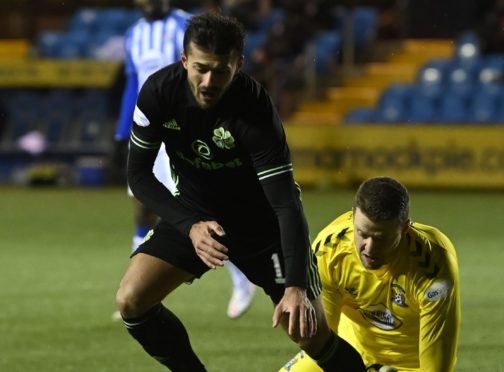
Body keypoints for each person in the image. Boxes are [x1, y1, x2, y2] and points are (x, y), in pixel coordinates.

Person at [115, 12, 366, 372]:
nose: (209, 80)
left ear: (239, 65)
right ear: (184, 60)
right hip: (195, 215)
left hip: (261, 228)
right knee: (131, 300)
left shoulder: (255, 111)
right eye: (200, 68)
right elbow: (138, 175)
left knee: (310, 333)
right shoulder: (157, 93)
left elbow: (285, 202)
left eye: (221, 70)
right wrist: (190, 226)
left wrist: (295, 286)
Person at [112, 0, 255, 319]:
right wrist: (123, 135)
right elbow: (132, 85)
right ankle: (141, 284)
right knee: (143, 206)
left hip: (185, 131)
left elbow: (216, 74)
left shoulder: (186, 27)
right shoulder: (133, 34)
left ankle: (242, 277)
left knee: (203, 208)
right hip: (151, 131)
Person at [279, 176, 461, 372]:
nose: (369, 248)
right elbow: (322, 341)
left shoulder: (433, 266)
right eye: (362, 234)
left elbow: (436, 368)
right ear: (353, 217)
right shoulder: (330, 251)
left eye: (381, 239)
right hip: (347, 354)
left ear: (405, 229)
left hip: (411, 367)